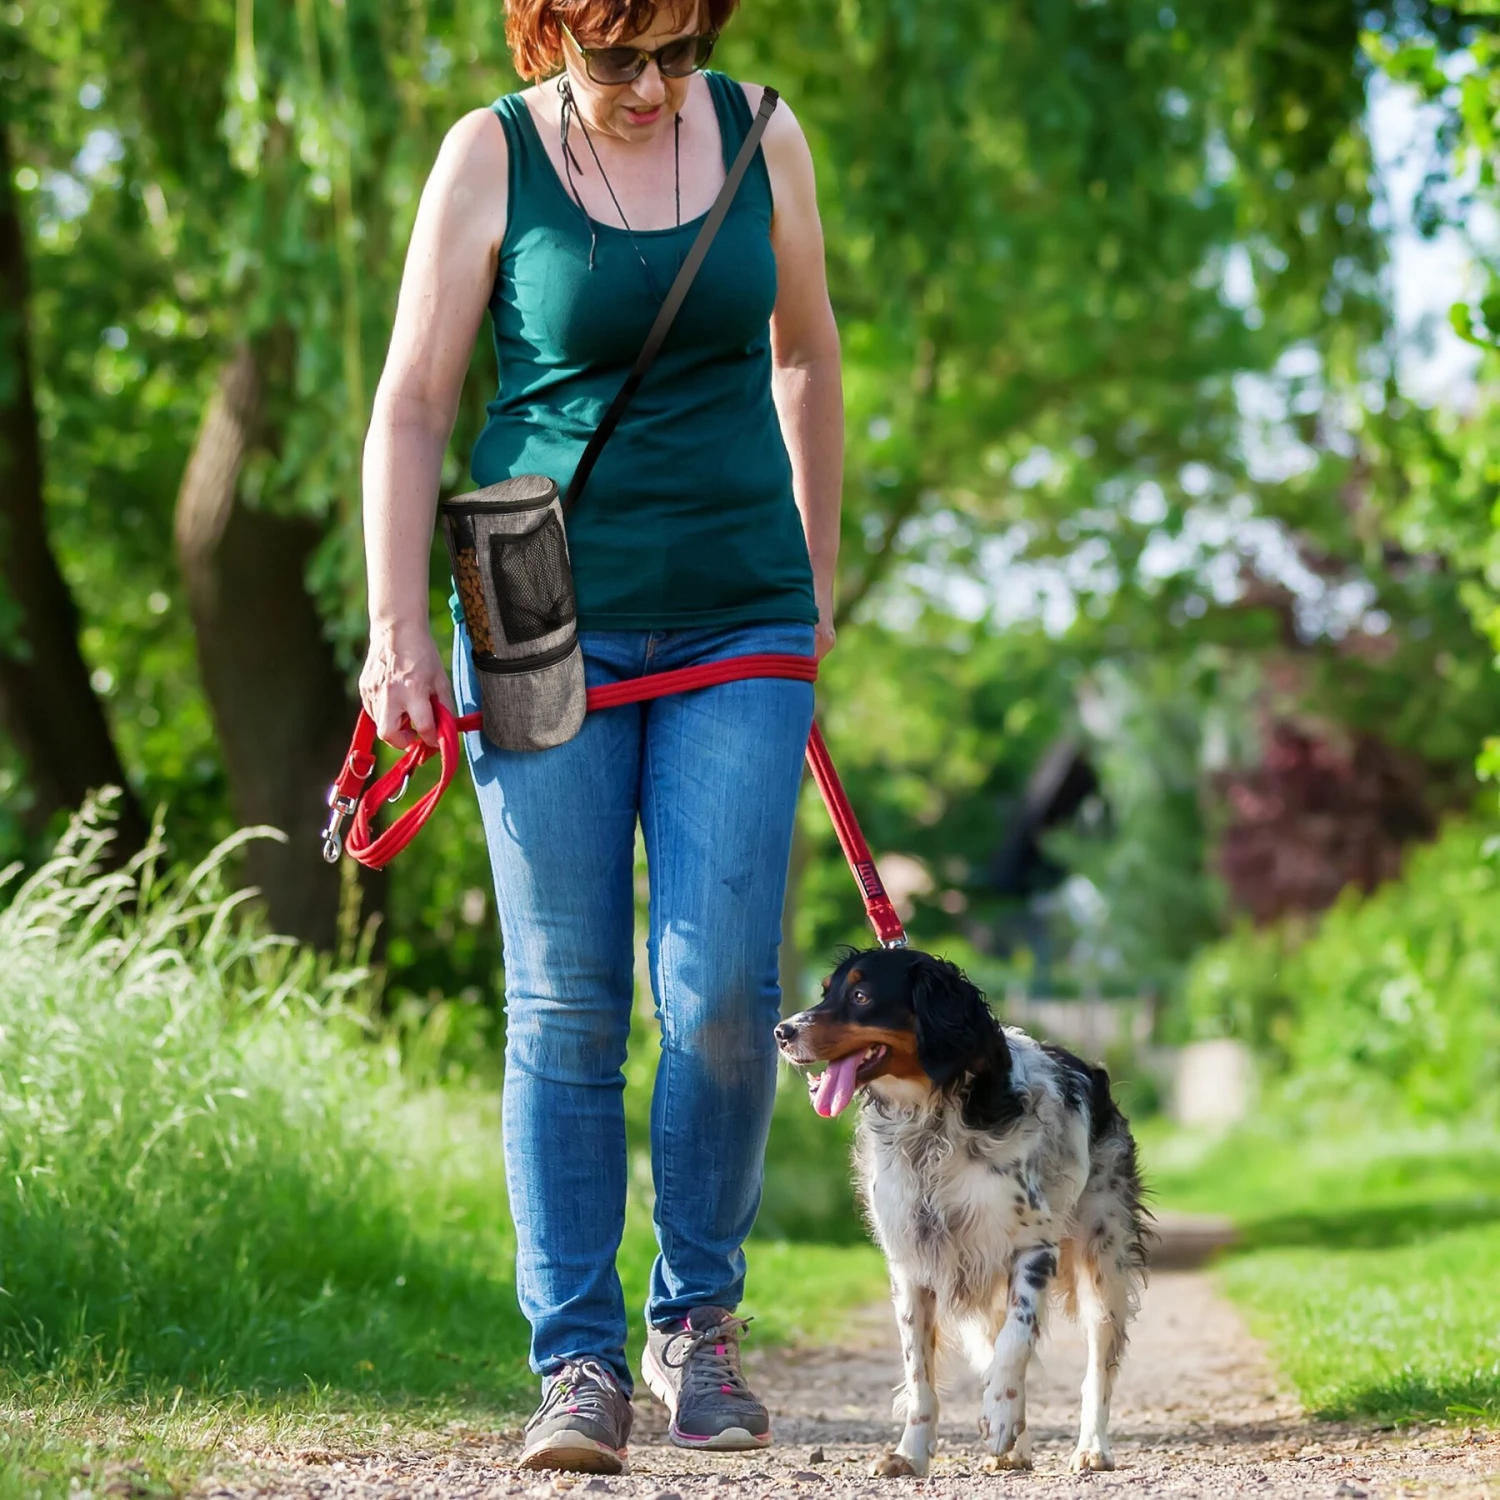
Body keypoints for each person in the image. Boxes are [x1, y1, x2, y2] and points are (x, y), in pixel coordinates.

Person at [357, 0, 843, 1475]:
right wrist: (392, 636)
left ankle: (696, 1329)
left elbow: (807, 355)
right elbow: (415, 401)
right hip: (533, 600)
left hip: (741, 615)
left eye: (677, 54)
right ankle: (576, 1364)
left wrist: (812, 596)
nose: (650, 88)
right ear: (547, 33)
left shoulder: (766, 133)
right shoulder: (487, 156)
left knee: (714, 994)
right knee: (565, 1003)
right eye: (615, 56)